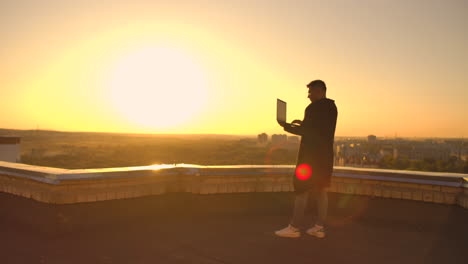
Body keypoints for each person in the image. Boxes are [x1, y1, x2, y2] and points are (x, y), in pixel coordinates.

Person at [275, 79, 338, 238]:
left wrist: (287, 126)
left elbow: (308, 132)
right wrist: (302, 124)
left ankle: (294, 228)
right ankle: (319, 228)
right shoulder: (332, 107)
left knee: (301, 190)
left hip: (309, 158)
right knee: (321, 191)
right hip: (325, 157)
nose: (308, 96)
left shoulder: (313, 107)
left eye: (310, 92)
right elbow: (318, 129)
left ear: (319, 91)